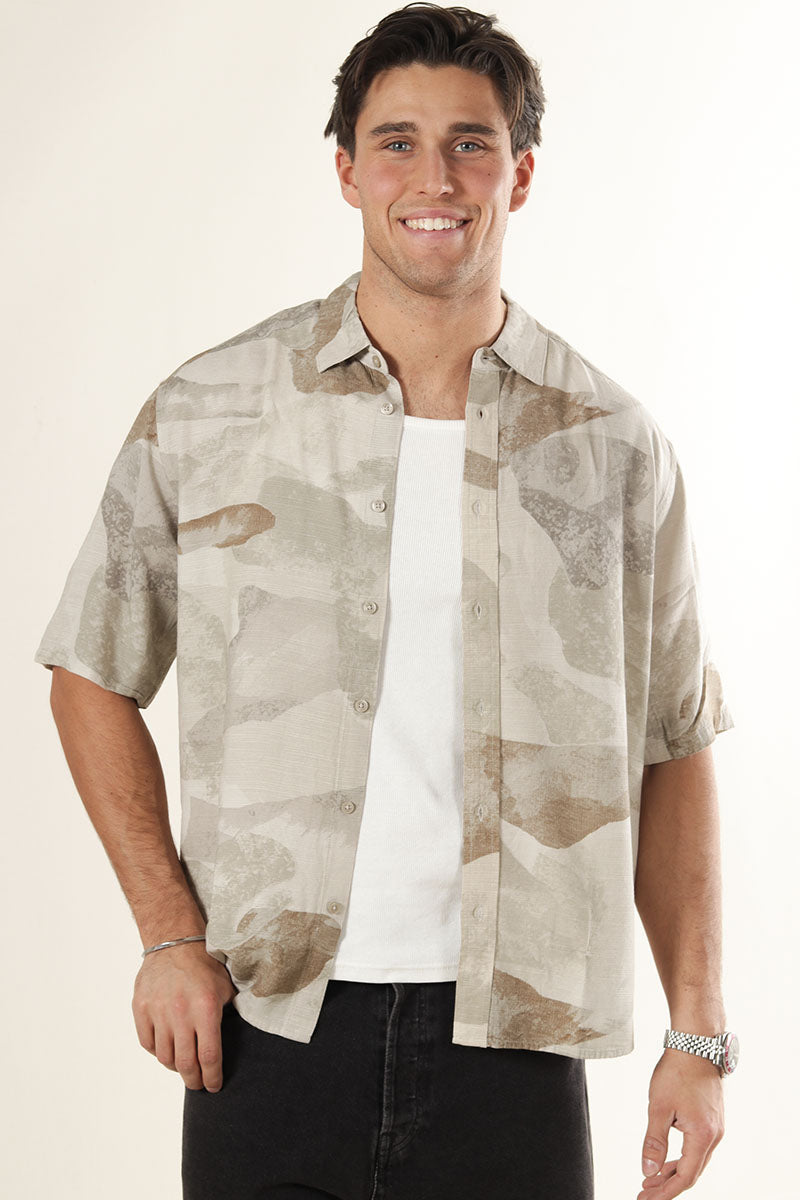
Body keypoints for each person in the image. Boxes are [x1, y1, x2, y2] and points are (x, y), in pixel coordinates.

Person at [34, 4, 738, 1199]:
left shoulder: (612, 447)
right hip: (266, 1026)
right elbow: (90, 673)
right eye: (396, 142)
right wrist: (167, 935)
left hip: (516, 1043)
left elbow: (673, 745)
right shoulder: (212, 409)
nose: (434, 178)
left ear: (519, 175)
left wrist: (697, 1035)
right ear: (346, 171)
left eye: (470, 144)